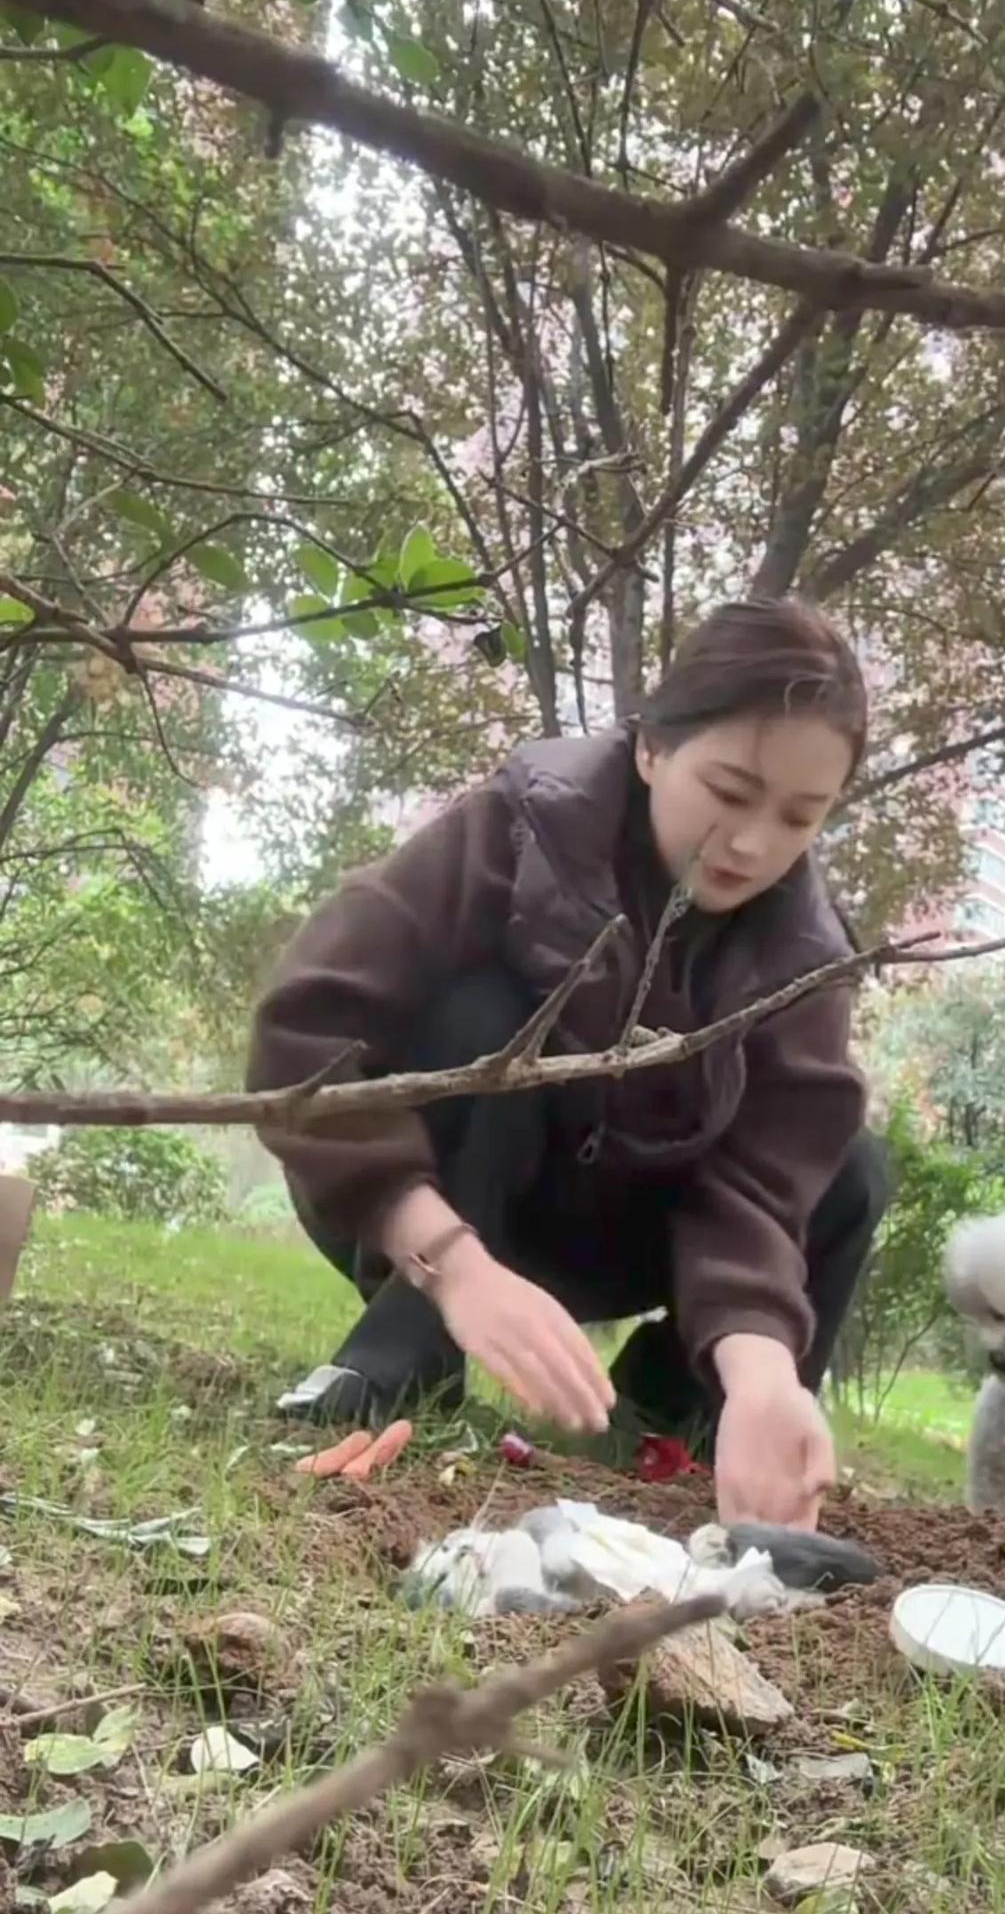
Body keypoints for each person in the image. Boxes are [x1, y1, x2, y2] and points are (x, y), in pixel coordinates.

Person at [247, 595, 889, 1530]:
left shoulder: (805, 959)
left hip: (634, 1230)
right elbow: (306, 1029)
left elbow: (757, 1191)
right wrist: (457, 1264)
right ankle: (401, 1356)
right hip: (443, 1197)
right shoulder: (517, 829)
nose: (755, 844)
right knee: (486, 1011)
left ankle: (683, 1419)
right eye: (730, 792)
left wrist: (761, 1370)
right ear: (652, 748)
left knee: (855, 1168)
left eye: (801, 816)